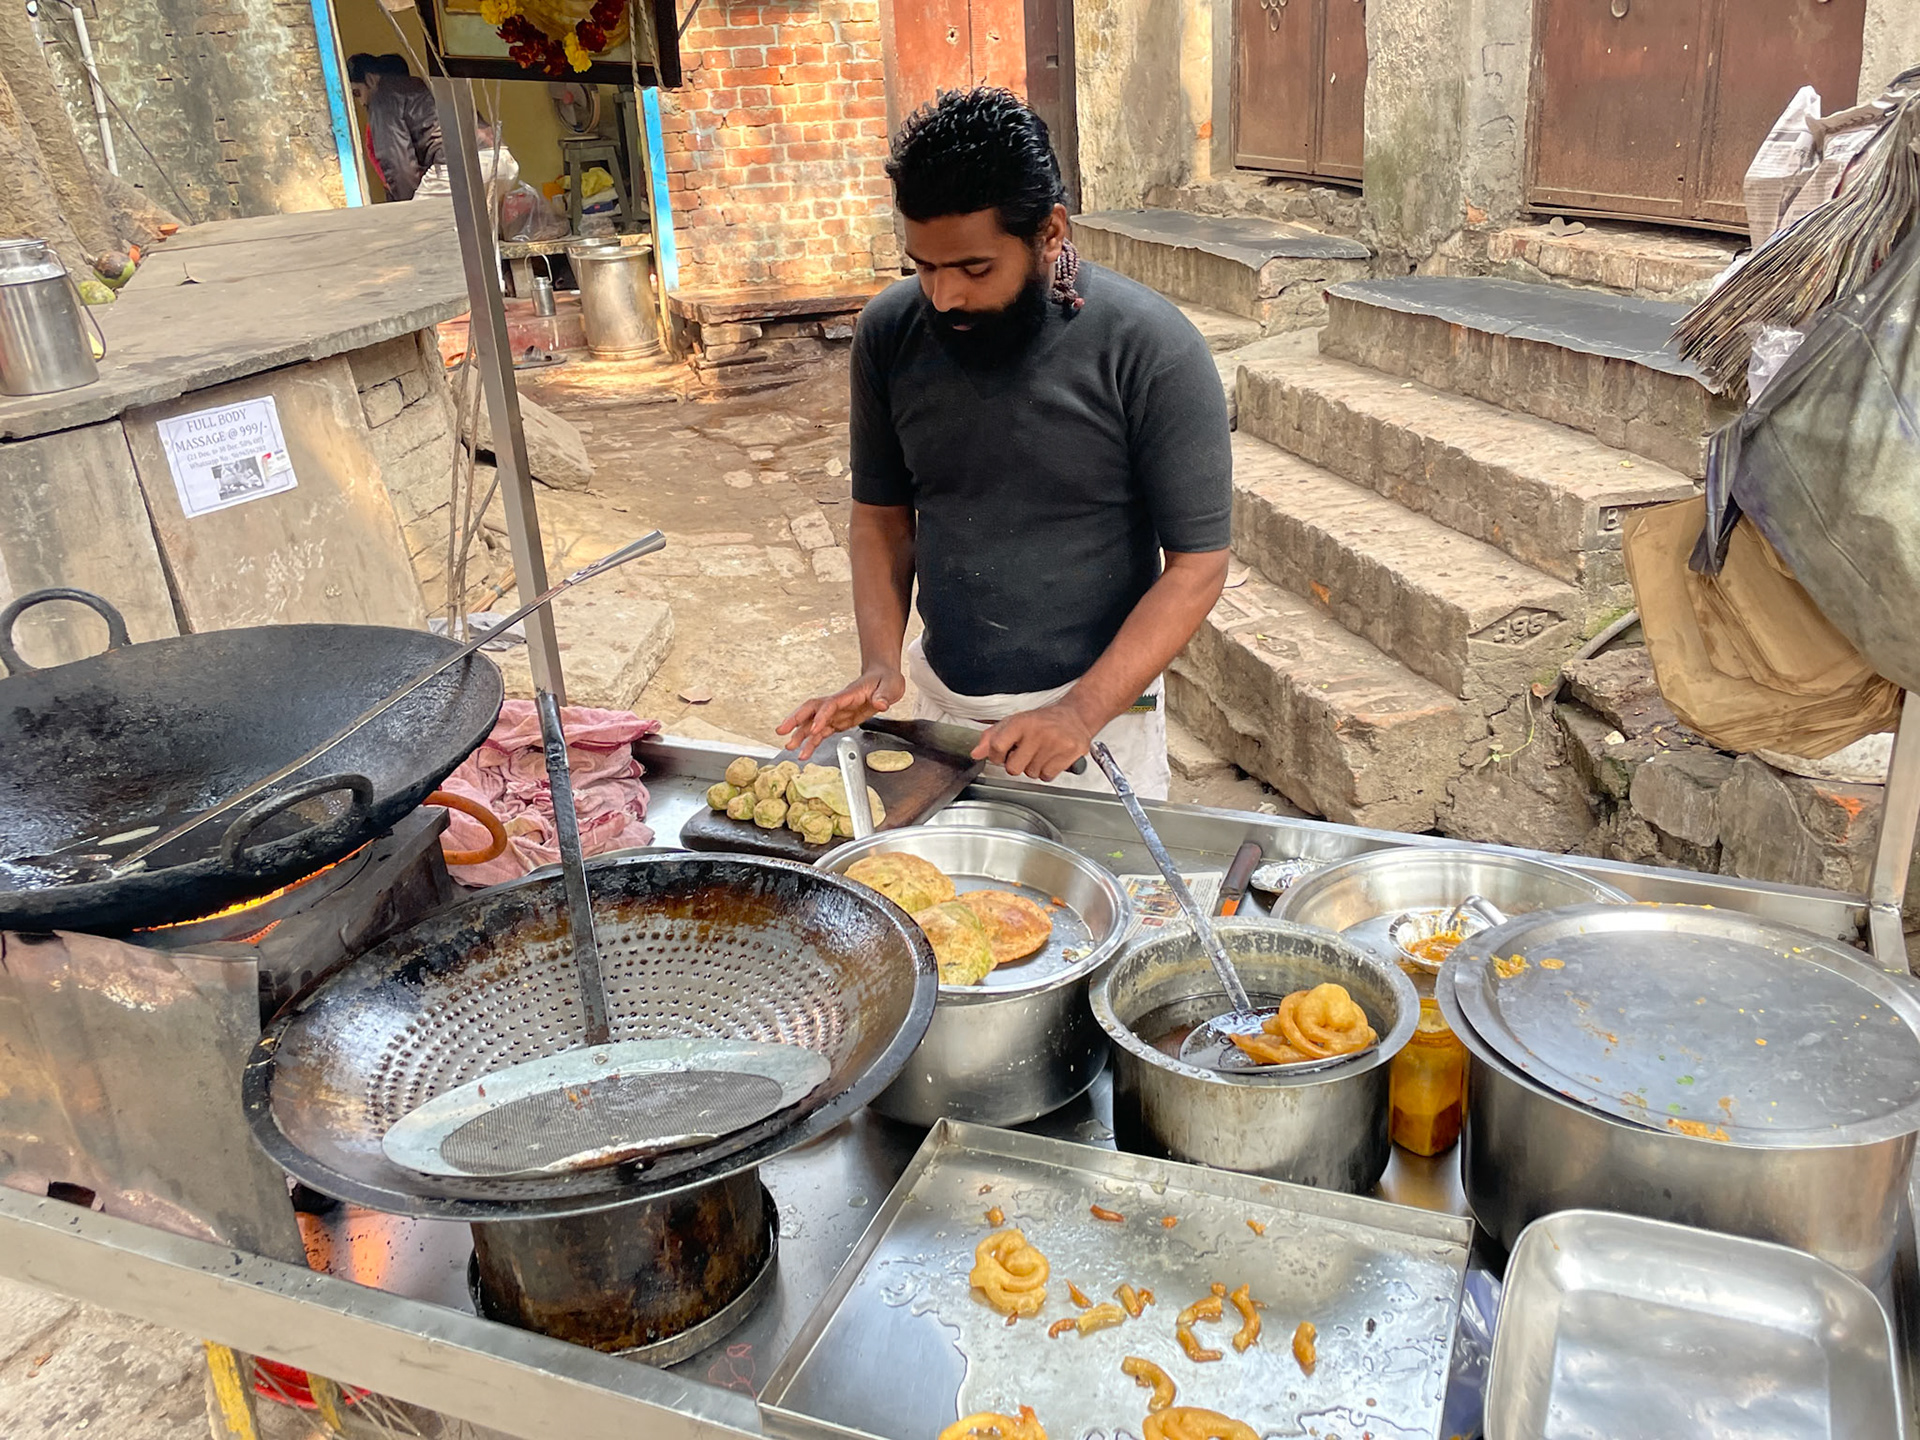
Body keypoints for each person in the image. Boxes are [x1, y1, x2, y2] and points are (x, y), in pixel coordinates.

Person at [777, 87, 1232, 799]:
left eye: (973, 268)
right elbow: (881, 521)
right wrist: (879, 664)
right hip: (942, 709)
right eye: (922, 266)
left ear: (1050, 232)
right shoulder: (890, 333)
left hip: (1097, 723)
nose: (943, 297)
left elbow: (1198, 567)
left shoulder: (1150, 350)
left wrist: (1079, 710)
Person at [347, 53, 443, 202]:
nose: (361, 102)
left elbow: (398, 166)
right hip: (485, 151)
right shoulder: (420, 86)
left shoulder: (382, 98)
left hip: (448, 163)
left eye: (357, 93)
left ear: (370, 79)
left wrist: (407, 205)